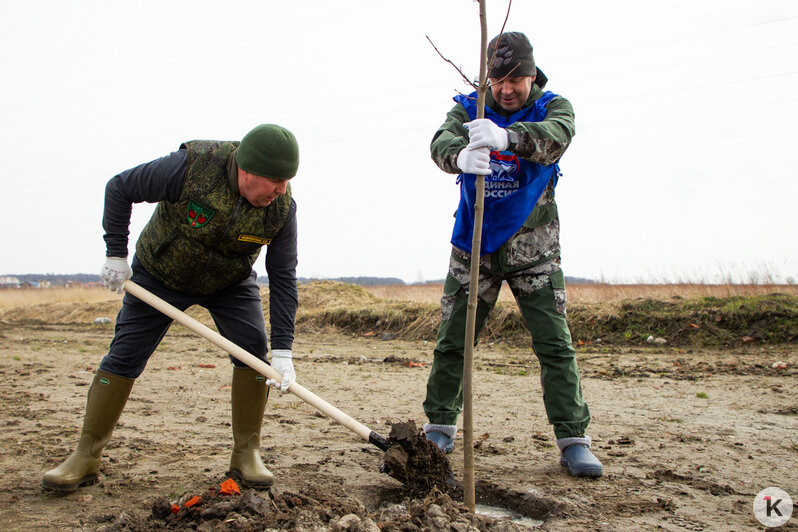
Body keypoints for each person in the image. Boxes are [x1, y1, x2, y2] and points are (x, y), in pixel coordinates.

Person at [42, 124, 301, 492]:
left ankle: (246, 454)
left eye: (287, 181)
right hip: (160, 273)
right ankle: (86, 456)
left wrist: (284, 349)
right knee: (125, 355)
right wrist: (115, 253)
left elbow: (284, 276)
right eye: (276, 181)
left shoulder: (282, 209)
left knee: (253, 352)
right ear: (247, 171)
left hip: (229, 282)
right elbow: (120, 187)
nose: (281, 190)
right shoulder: (191, 168)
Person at [422, 32, 603, 478]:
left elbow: (557, 137)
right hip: (473, 249)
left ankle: (574, 439)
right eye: (498, 79)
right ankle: (439, 428)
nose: (505, 88)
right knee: (452, 343)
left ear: (531, 74)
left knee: (555, 345)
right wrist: (459, 154)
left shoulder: (553, 107)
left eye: (515, 79)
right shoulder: (468, 108)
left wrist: (507, 136)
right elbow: (438, 143)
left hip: (535, 252)